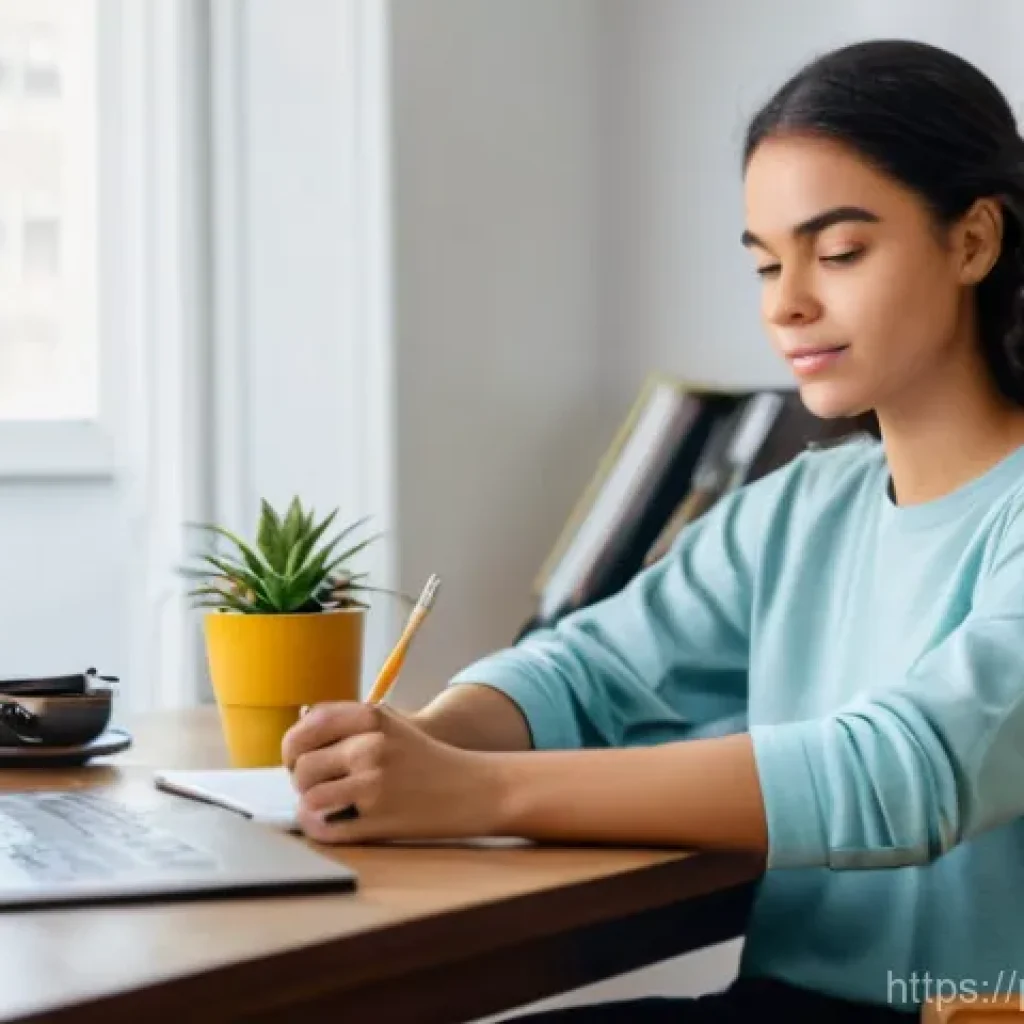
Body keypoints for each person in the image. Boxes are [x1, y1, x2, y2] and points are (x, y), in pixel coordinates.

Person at [282, 38, 1024, 1021]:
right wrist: (418, 742)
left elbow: (900, 772)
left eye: (839, 252)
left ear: (972, 241)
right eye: (766, 264)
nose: (788, 304)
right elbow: (585, 667)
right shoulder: (801, 510)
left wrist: (474, 793)